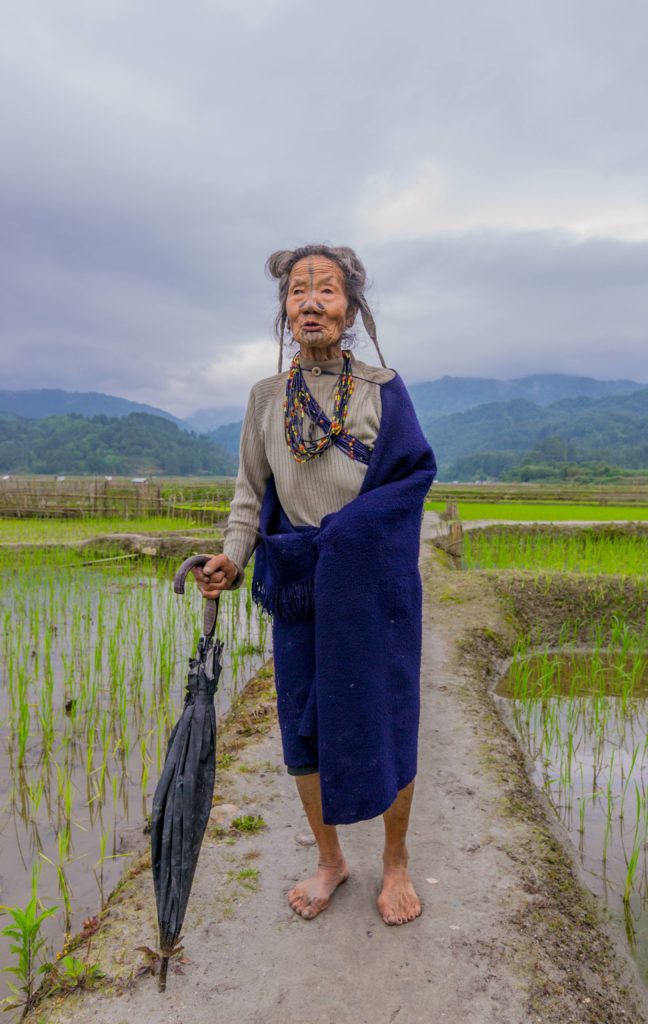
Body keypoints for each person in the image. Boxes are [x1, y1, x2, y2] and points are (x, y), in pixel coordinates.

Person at [193, 244, 436, 925]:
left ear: (350, 308)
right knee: (302, 725)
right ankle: (330, 860)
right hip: (301, 585)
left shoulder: (383, 389)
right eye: (298, 291)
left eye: (325, 290)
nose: (310, 302)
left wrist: (347, 535)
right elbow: (250, 492)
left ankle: (395, 863)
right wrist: (233, 559)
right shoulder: (266, 399)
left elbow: (413, 476)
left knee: (388, 717)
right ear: (284, 312)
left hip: (374, 591)